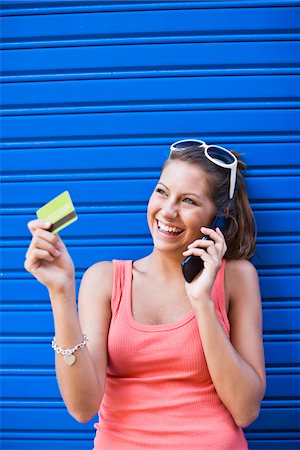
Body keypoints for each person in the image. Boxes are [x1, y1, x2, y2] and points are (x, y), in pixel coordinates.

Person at [24, 139, 266, 450]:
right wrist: (60, 292)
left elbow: (246, 411)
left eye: (189, 201)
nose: (167, 211)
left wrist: (202, 302)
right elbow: (82, 408)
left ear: (217, 213)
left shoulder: (237, 277)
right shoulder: (105, 279)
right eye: (162, 192)